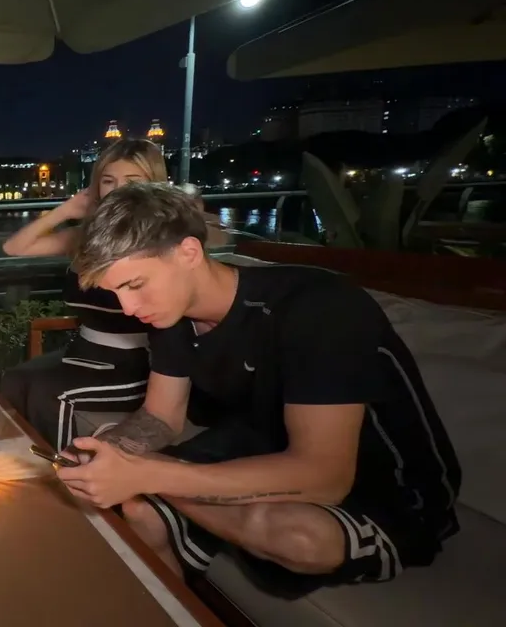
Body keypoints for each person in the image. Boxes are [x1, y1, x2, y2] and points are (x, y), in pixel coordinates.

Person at [56, 182, 462, 597]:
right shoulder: (172, 316)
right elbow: (161, 417)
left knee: (298, 538)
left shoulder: (319, 309)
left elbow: (325, 476)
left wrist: (147, 475)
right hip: (259, 446)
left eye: (135, 284)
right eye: (116, 292)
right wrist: (107, 451)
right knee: (138, 508)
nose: (128, 308)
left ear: (189, 252)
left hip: (388, 487)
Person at [0, 139, 168, 451]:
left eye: (132, 181)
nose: (118, 190)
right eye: (108, 181)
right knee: (14, 379)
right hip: (84, 353)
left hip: (131, 364)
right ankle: (20, 464)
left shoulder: (161, 242)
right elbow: (14, 247)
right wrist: (66, 210)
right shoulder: (88, 237)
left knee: (50, 394)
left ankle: (65, 474)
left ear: (153, 185)